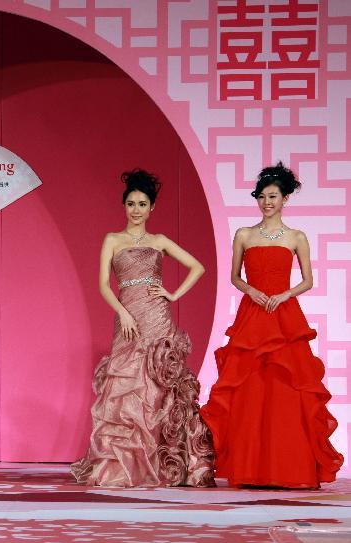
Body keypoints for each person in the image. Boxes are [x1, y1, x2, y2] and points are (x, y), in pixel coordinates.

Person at [200, 162, 343, 488]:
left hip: (283, 316)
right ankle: (251, 467)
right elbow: (235, 276)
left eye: (273, 196)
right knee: (250, 388)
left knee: (286, 390)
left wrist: (283, 295)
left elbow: (308, 280)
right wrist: (251, 289)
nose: (267, 202)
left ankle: (288, 468)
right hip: (252, 314)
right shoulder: (244, 234)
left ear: (285, 199)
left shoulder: (296, 237)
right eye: (262, 196)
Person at [71, 169, 215, 488]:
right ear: (125, 206)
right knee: (129, 382)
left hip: (157, 315)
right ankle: (127, 464)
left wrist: (173, 293)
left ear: (152, 208)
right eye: (131, 203)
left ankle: (165, 462)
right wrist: (122, 312)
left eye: (142, 204)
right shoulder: (112, 239)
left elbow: (198, 267)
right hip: (129, 316)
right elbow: (102, 285)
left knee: (160, 382)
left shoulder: (159, 241)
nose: (136, 210)